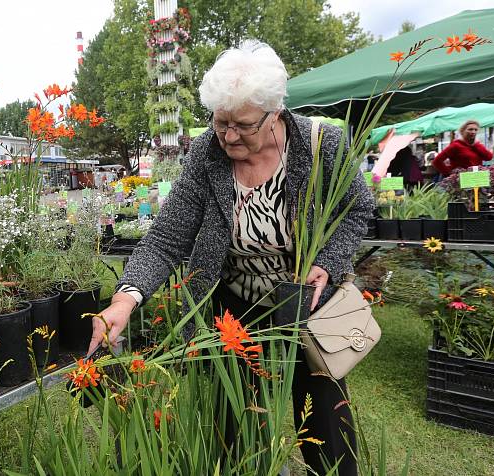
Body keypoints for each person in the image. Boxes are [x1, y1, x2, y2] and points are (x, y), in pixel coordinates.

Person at [88, 41, 373, 476]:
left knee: (327, 430)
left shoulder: (321, 143)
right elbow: (167, 238)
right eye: (220, 122)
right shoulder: (207, 152)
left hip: (307, 309)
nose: (229, 136)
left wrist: (330, 262)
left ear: (275, 112)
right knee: (236, 431)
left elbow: (357, 209)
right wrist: (125, 299)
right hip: (232, 313)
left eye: (242, 124)